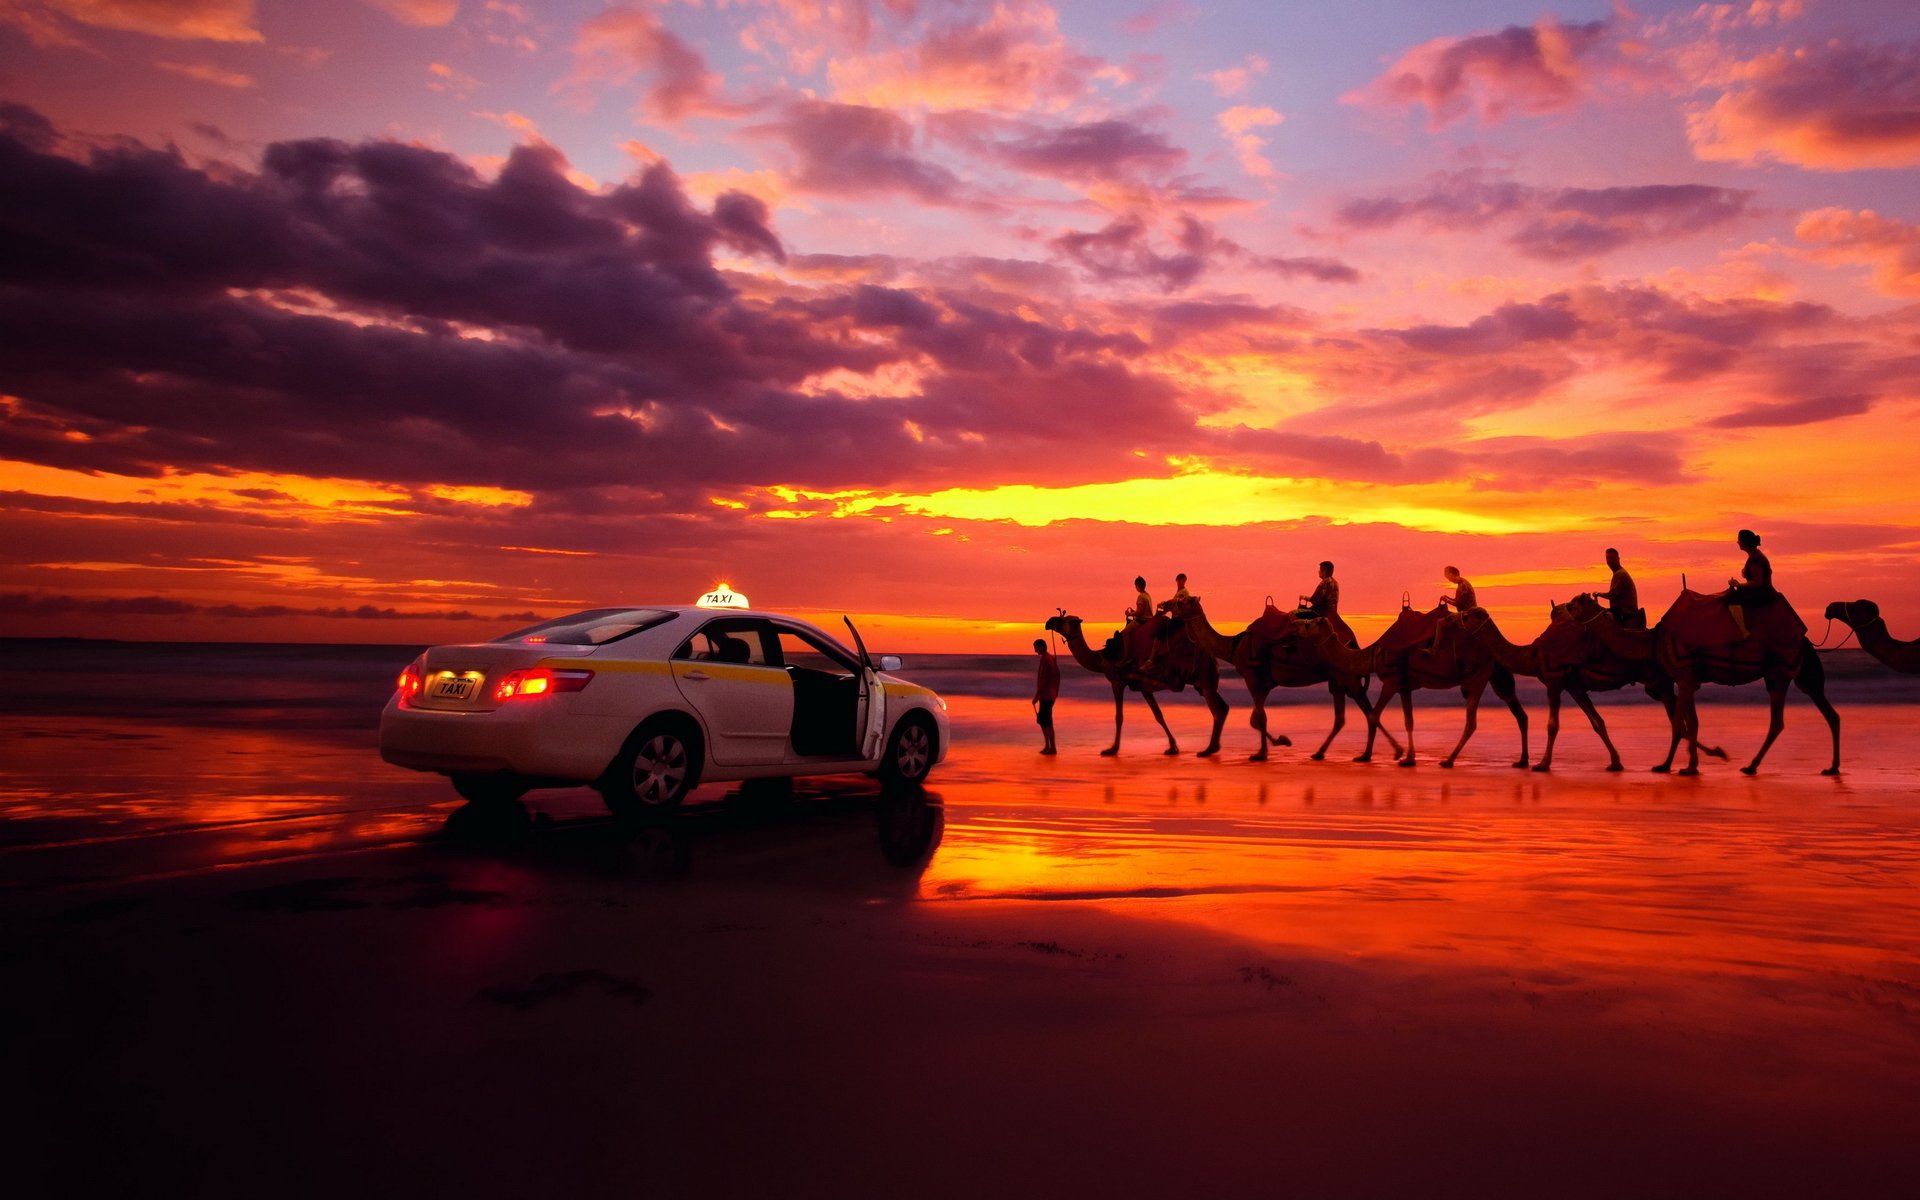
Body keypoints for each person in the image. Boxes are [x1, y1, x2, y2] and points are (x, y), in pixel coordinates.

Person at [1725, 529, 1775, 639]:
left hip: (1763, 594)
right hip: (1760, 592)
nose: (1737, 542)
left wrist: (1738, 585)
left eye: (1739, 540)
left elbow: (1758, 582)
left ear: (1744, 542)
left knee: (1730, 599)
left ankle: (1743, 631)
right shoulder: (1754, 556)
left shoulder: (1755, 559)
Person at [1431, 565, 1476, 653]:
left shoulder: (1463, 586)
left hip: (1467, 615)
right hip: (1466, 613)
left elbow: (1458, 604)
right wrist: (1447, 598)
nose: (1448, 579)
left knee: (1440, 622)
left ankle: (1434, 650)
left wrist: (1446, 600)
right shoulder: (1462, 584)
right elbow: (1458, 600)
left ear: (1452, 574)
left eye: (1448, 577)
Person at [1033, 637, 1059, 755]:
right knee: (1043, 721)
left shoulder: (1046, 660)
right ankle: (1048, 746)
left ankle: (1052, 747)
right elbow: (1057, 676)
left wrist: (1037, 695)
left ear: (1041, 647)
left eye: (1036, 648)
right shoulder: (1050, 659)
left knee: (1047, 722)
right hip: (1050, 694)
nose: (1035, 651)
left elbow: (1044, 679)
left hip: (1046, 695)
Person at [1597, 548, 1638, 623]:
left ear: (1618, 559)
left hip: (1625, 614)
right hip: (1621, 612)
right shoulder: (1618, 573)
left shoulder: (1620, 574)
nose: (1609, 560)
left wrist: (1598, 594)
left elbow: (1612, 595)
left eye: (1611, 558)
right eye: (1607, 558)